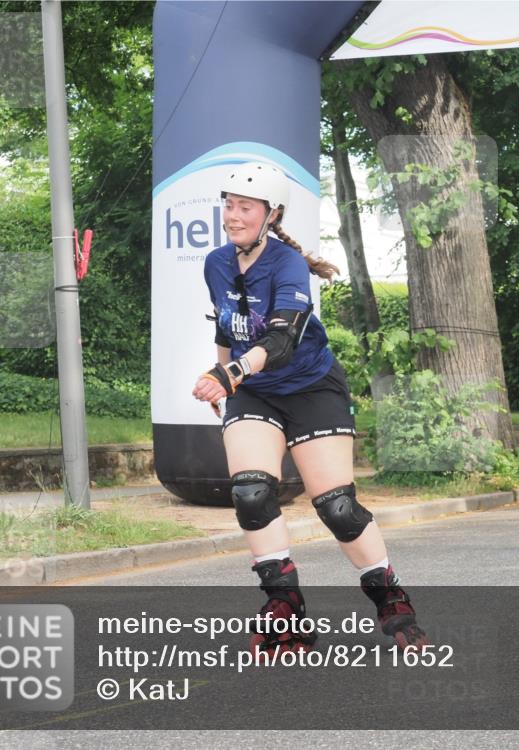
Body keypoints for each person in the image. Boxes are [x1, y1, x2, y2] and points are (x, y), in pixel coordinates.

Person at [191, 161, 427, 652]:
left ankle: (391, 601)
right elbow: (224, 328)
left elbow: (282, 340)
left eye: (244, 208)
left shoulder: (288, 265)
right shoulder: (215, 262)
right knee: (251, 493)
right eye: (228, 205)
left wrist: (229, 373)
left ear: (270, 213)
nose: (232, 216)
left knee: (336, 507)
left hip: (310, 387)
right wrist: (224, 379)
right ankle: (285, 607)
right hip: (253, 391)